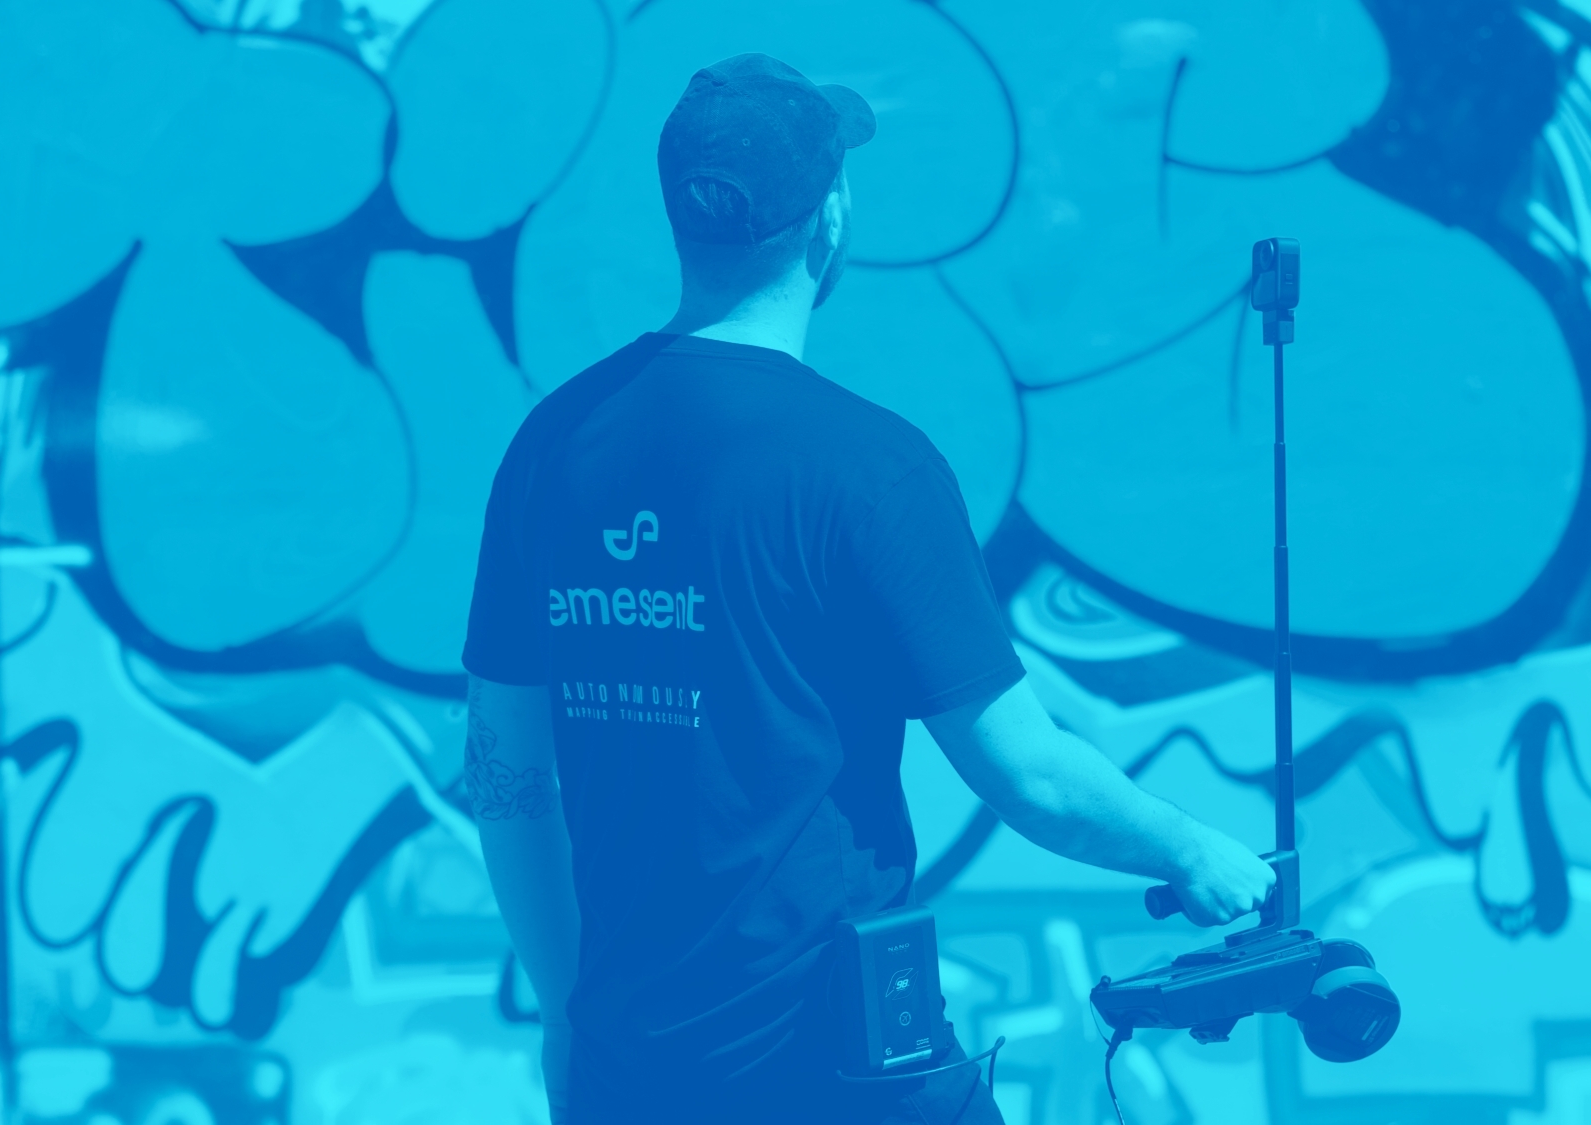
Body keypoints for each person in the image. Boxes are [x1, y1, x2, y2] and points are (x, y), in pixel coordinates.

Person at [460, 53, 1276, 1125]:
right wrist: (1193, 849)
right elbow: (1028, 776)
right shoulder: (871, 471)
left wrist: (568, 1018)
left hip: (633, 1077)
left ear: (678, 218)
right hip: (837, 1075)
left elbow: (507, 776)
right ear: (830, 218)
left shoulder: (550, 448)